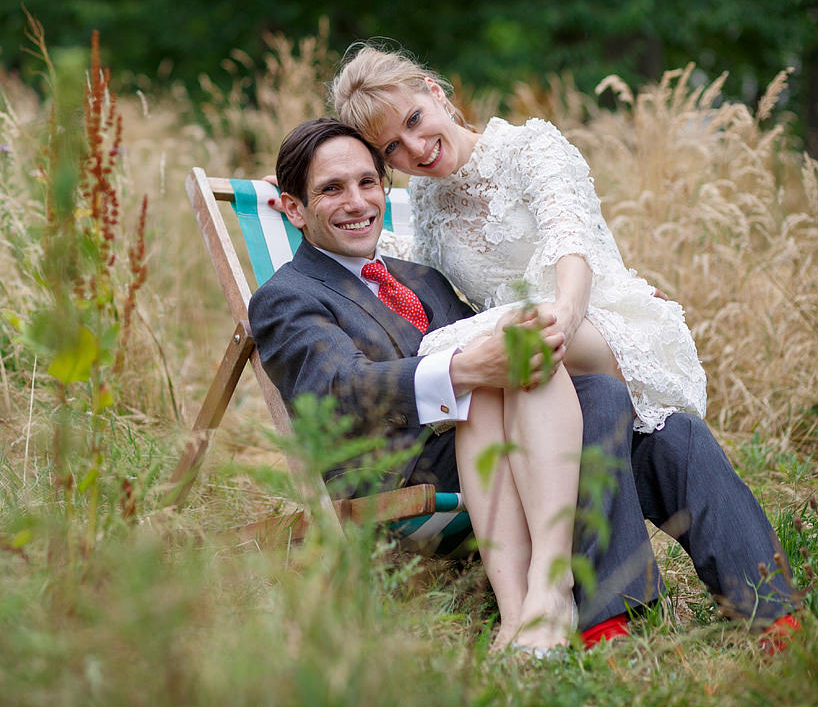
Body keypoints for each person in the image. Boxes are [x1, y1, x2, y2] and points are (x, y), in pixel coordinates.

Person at [248, 118, 798, 657]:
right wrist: (464, 370)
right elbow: (338, 391)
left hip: (500, 444)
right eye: (331, 189)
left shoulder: (420, 278)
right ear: (294, 208)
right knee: (598, 397)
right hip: (402, 468)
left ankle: (775, 616)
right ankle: (600, 620)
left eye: (367, 182)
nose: (357, 202)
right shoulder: (287, 297)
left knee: (672, 433)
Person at [331, 44, 706, 437]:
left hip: (599, 330)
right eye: (392, 147)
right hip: (524, 349)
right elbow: (419, 262)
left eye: (414, 119)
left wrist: (563, 317)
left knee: (441, 356)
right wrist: (319, 199)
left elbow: (570, 242)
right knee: (462, 357)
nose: (417, 148)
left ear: (434, 91)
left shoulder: (529, 146)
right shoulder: (427, 195)